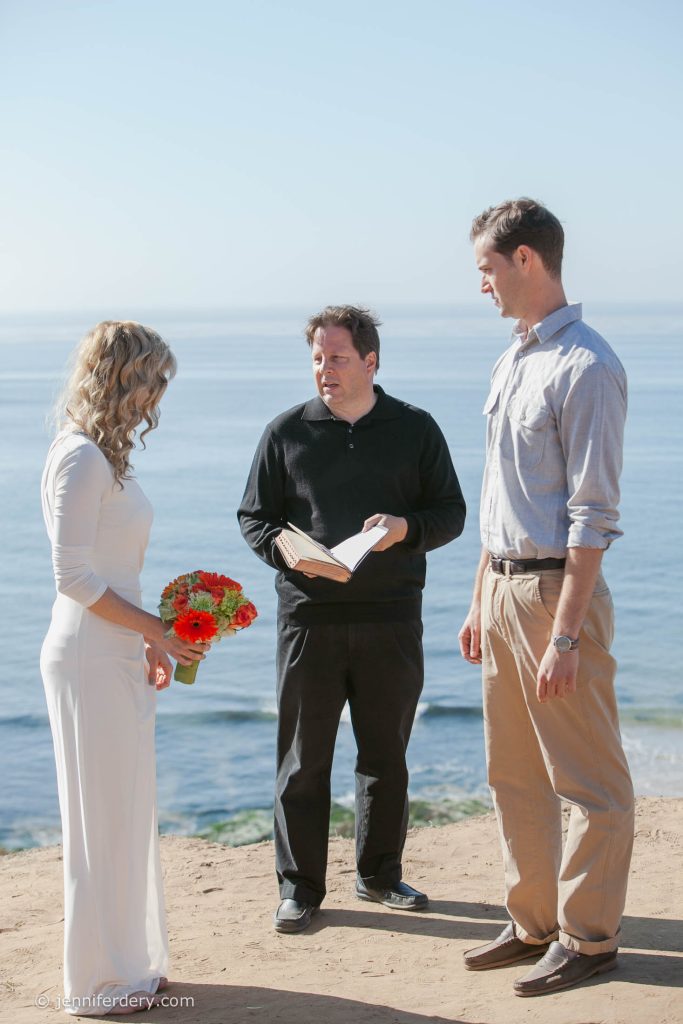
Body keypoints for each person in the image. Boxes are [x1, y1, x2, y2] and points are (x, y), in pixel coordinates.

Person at [238, 305, 466, 933]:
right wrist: (286, 548)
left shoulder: (415, 429)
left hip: (391, 617)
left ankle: (379, 876)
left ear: (370, 361)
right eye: (317, 358)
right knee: (303, 757)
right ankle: (300, 888)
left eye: (336, 358)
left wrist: (403, 530)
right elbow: (254, 517)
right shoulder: (286, 431)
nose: (324, 370)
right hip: (308, 618)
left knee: (385, 754)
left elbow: (450, 513)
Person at [458, 199, 634, 996]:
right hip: (500, 591)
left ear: (526, 260)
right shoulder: (511, 359)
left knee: (588, 781)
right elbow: (500, 496)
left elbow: (591, 516)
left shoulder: (587, 367)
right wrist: (475, 599)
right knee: (513, 772)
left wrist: (564, 637)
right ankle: (532, 923)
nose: (483, 286)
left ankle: (589, 938)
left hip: (555, 595)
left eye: (487, 269)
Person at [41, 321, 206, 1016]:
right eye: (151, 381)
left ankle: (130, 963)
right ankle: (99, 983)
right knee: (97, 816)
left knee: (126, 811)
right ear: (122, 377)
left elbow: (113, 570)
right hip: (85, 652)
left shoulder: (105, 458)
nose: (156, 396)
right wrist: (158, 632)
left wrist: (145, 641)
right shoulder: (80, 457)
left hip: (114, 650)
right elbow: (73, 574)